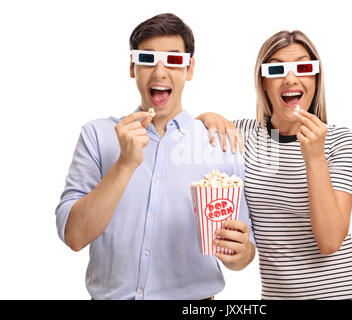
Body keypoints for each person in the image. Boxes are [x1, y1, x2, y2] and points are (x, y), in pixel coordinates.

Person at [55, 13, 255, 300]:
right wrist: (124, 164)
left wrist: (239, 254)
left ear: (190, 68)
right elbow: (74, 237)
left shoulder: (219, 142)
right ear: (132, 67)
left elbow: (246, 251)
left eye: (173, 61)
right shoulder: (97, 136)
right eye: (148, 59)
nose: (160, 72)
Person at [197, 30, 352, 300]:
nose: (290, 78)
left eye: (303, 67)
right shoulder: (247, 135)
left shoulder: (339, 141)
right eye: (277, 69)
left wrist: (315, 158)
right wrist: (208, 116)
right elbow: (191, 133)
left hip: (346, 291)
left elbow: (330, 241)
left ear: (315, 79)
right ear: (264, 82)